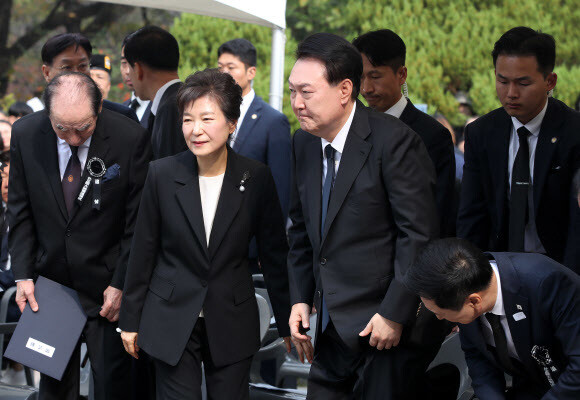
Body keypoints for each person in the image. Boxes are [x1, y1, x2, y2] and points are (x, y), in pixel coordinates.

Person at [118, 68, 292, 400]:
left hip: (231, 314)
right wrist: (130, 319)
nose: (195, 130)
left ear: (231, 123)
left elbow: (274, 254)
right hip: (169, 313)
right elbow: (143, 251)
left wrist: (286, 323)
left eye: (207, 119)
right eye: (187, 120)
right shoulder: (162, 174)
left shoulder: (256, 178)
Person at [287, 33, 440, 399]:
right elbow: (300, 231)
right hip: (327, 329)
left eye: (306, 92)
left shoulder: (395, 141)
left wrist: (393, 314)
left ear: (344, 90)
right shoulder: (303, 143)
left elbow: (417, 235)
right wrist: (299, 299)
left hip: (383, 331)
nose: (296, 103)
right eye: (292, 91)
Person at [7, 72, 152, 400]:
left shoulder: (129, 137)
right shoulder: (27, 133)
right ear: (48, 115)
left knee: (112, 386)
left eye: (82, 128)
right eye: (61, 128)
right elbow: (20, 209)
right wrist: (24, 275)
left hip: (107, 289)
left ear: (99, 108)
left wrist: (121, 283)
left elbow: (138, 223)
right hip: (52, 286)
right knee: (54, 389)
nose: (72, 139)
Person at [457, 26, 580, 273]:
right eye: (502, 81)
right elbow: (472, 216)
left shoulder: (573, 132)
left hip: (561, 269)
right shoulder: (481, 132)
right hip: (499, 268)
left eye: (523, 83)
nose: (511, 93)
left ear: (550, 81)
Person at [404, 238, 580, 399]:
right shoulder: (461, 289)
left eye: (439, 312)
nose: (439, 318)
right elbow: (477, 356)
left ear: (474, 301)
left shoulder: (546, 282)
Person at [352, 29, 456, 236]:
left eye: (375, 76)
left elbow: (439, 213)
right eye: (360, 78)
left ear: (401, 74)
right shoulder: (350, 129)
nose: (366, 88)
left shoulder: (432, 135)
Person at [217, 39, 291, 219]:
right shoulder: (212, 114)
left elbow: (280, 186)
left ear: (251, 72)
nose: (224, 73)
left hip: (252, 227)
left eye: (231, 67)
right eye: (220, 67)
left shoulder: (273, 121)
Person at [40, 33, 139, 123]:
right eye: (67, 68)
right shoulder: (29, 128)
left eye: (82, 66)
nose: (77, 75)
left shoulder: (123, 117)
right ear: (47, 73)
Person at [123, 26, 187, 159]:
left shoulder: (171, 107)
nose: (128, 74)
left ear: (138, 69)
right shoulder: (180, 98)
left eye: (129, 67)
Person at [120, 34, 151, 128]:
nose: (127, 71)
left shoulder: (161, 107)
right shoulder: (120, 110)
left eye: (133, 63)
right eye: (124, 63)